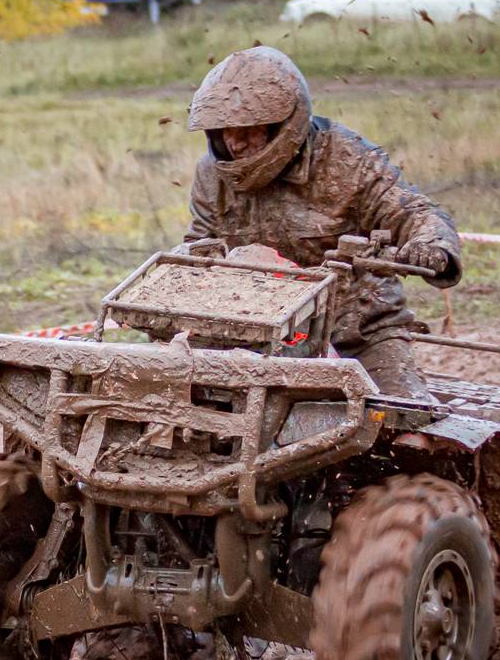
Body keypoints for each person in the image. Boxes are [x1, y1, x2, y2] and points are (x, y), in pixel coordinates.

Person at [182, 46, 461, 400]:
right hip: (255, 336)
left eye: (247, 129)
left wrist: (431, 246)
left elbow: (414, 212)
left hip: (358, 336)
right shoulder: (212, 176)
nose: (234, 143)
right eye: (223, 130)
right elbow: (199, 248)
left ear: (283, 124)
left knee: (397, 416)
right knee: (179, 404)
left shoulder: (349, 161)